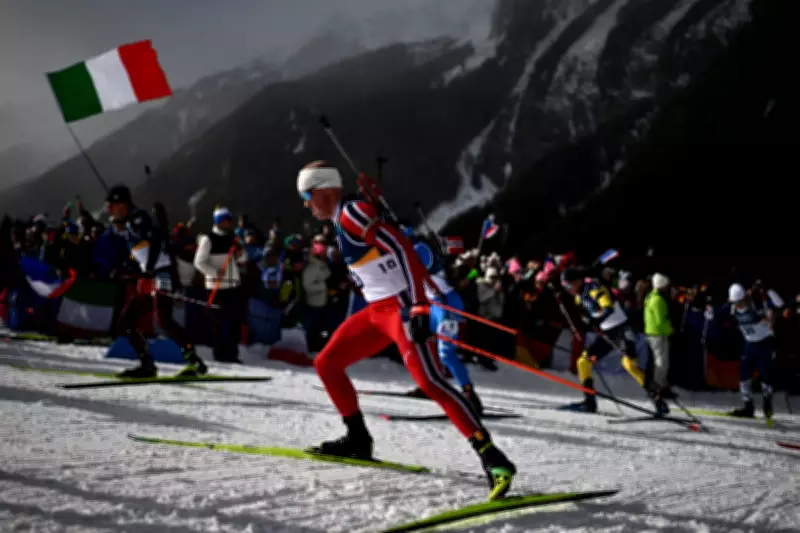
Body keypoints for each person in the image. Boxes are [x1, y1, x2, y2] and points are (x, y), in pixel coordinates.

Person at [297, 161, 515, 500]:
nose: (306, 204)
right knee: (327, 363)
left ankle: (493, 458)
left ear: (326, 189)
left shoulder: (351, 213)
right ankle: (357, 439)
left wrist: (417, 304)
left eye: (308, 196)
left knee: (431, 381)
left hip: (399, 310)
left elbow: (400, 246)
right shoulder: (349, 214)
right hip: (376, 313)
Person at [106, 185, 207, 378]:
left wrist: (149, 270)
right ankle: (147, 365)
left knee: (164, 319)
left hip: (162, 274)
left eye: (113, 205)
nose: (110, 210)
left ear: (123, 204)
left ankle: (194, 362)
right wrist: (125, 268)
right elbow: (141, 254)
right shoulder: (129, 224)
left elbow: (156, 242)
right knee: (127, 320)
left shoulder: (137, 218)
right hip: (153, 274)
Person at [560, 267, 668, 414]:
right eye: (564, 285)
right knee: (585, 360)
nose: (567, 288)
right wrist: (587, 319)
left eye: (568, 284)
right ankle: (589, 402)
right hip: (607, 336)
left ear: (577, 281)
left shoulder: (593, 287)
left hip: (621, 332)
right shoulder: (578, 296)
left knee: (629, 364)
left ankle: (658, 401)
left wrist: (595, 321)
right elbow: (589, 312)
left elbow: (608, 308)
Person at [400, 225, 484, 414]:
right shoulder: (413, 250)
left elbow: (412, 272)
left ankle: (470, 395)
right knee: (417, 342)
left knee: (446, 354)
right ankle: (429, 384)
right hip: (435, 304)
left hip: (447, 304)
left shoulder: (419, 249)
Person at [705, 283, 776, 422]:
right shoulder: (731, 307)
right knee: (744, 374)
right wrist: (710, 313)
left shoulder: (755, 304)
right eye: (735, 302)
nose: (737, 305)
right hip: (750, 344)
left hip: (765, 343)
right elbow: (717, 313)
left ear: (744, 298)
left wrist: (770, 294)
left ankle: (767, 402)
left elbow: (777, 304)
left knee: (765, 373)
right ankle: (748, 407)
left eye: (739, 302)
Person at [193, 207, 248, 363]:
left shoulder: (234, 238)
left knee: (234, 321)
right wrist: (215, 272)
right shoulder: (208, 239)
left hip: (233, 286)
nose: (227, 223)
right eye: (224, 220)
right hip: (216, 287)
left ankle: (233, 354)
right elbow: (199, 262)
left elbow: (243, 258)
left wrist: (240, 253)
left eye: (229, 220)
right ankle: (219, 353)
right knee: (217, 322)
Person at [644, 273, 675, 398]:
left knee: (662, 362)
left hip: (655, 333)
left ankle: (663, 386)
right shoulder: (658, 300)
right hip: (658, 334)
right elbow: (660, 320)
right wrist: (670, 331)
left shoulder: (652, 296)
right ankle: (657, 388)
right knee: (661, 363)